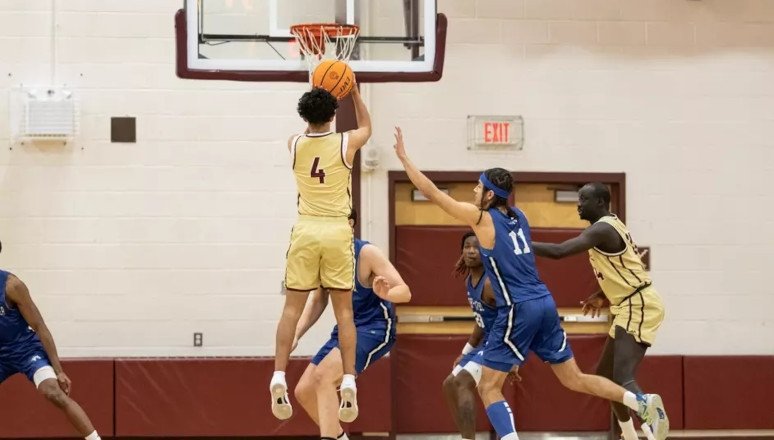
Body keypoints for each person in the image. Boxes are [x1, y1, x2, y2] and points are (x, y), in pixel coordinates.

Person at [391, 127, 668, 440]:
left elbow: (434, 194)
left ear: (490, 194)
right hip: (544, 304)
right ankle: (640, 401)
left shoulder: (482, 219)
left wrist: (404, 158)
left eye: (477, 188)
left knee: (489, 386)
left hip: (518, 307)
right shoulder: (519, 216)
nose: (473, 192)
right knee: (574, 378)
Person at [531, 182, 667, 440]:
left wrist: (522, 245)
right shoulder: (611, 226)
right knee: (606, 378)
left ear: (601, 203)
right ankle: (628, 435)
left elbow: (561, 252)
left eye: (583, 199)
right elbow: (629, 268)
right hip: (628, 303)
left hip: (638, 304)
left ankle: (654, 427)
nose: (578, 204)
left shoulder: (602, 229)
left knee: (622, 378)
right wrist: (603, 295)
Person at [271, 84, 371, 424]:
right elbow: (367, 127)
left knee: (290, 309)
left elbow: (307, 129)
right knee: (344, 312)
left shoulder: (293, 143)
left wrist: (313, 107)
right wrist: (353, 93)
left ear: (303, 117)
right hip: (336, 231)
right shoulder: (346, 142)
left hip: (306, 229)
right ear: (332, 116)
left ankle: (278, 376)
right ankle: (348, 379)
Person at [292, 210, 411, 440]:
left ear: (350, 224)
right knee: (303, 391)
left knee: (324, 376)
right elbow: (318, 300)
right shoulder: (324, 257)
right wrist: (297, 332)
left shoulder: (367, 253)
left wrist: (387, 292)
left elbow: (405, 292)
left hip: (374, 327)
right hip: (345, 329)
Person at [0, 264, 103, 440]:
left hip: (25, 349)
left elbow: (39, 326)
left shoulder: (12, 285)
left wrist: (59, 371)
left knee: (54, 393)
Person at [442, 231, 501, 440]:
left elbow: (515, 314)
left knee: (462, 381)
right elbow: (481, 321)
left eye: (476, 247)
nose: (471, 251)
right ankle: (466, 436)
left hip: (500, 341)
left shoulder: (489, 283)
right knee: (449, 384)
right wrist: (465, 351)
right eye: (467, 246)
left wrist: (514, 359)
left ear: (485, 252)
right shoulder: (470, 281)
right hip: (485, 342)